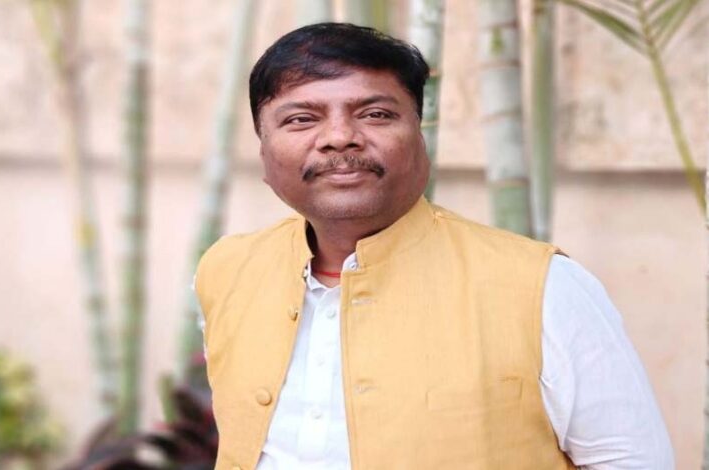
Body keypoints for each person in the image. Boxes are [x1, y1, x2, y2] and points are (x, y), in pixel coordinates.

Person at [193, 23, 673, 469]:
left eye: (375, 114)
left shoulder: (542, 286)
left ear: (420, 139)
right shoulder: (226, 272)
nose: (339, 137)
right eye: (301, 119)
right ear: (264, 153)